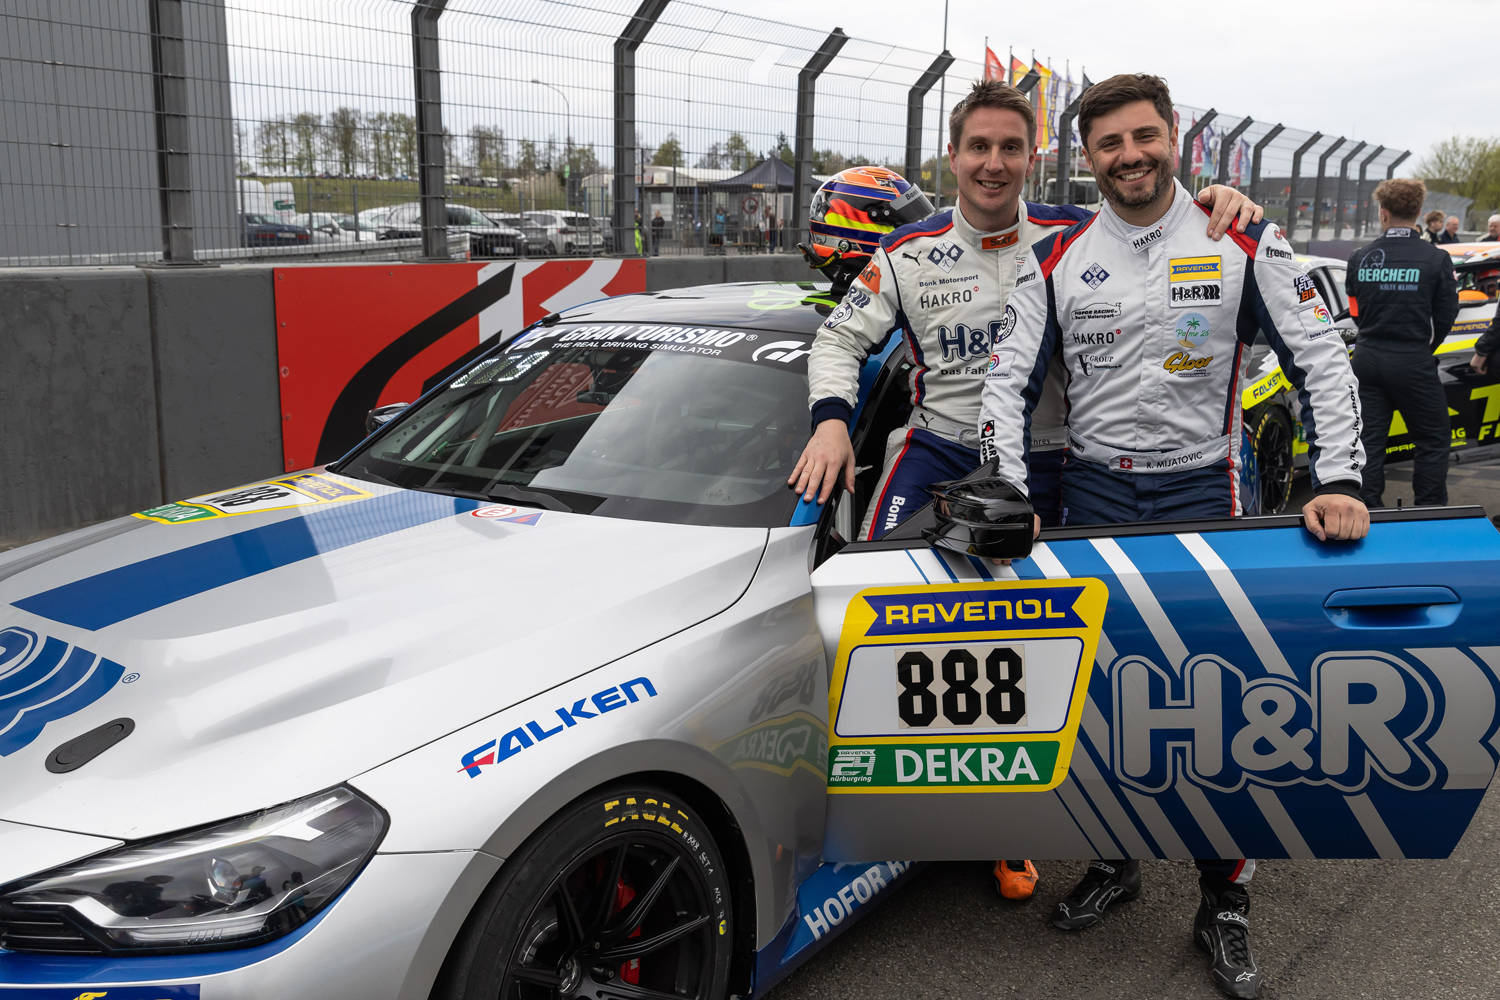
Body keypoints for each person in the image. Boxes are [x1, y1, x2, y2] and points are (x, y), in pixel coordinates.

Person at [790, 82, 1261, 906]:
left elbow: (1162, 221)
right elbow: (837, 339)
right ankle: (894, 802)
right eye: (979, 147)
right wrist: (832, 423)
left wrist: (1222, 201)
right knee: (877, 607)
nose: (994, 163)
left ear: (1034, 157)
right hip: (941, 453)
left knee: (1065, 644)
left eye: (1011, 147)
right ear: (953, 157)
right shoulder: (907, 250)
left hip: (1058, 459)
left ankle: (1029, 822)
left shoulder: (1077, 231)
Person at [978, 73, 1367, 999]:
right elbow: (1005, 383)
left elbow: (1320, 356)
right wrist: (1007, 492)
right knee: (1099, 696)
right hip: (1095, 492)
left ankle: (1223, 898)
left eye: (1144, 136)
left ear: (1176, 137)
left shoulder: (1242, 235)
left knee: (1218, 705)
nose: (1130, 156)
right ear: (1087, 157)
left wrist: (1341, 478)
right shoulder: (1057, 252)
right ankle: (1115, 859)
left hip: (1205, 488)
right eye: (1109, 143)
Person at [1346, 178, 1460, 508]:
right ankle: (1428, 513)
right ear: (1419, 212)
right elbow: (1446, 315)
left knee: (1366, 443)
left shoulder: (1359, 257)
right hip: (1413, 360)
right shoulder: (1436, 258)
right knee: (1433, 439)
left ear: (1383, 212)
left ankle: (1368, 513)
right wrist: (1423, 348)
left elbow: (1355, 312)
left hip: (1367, 358)